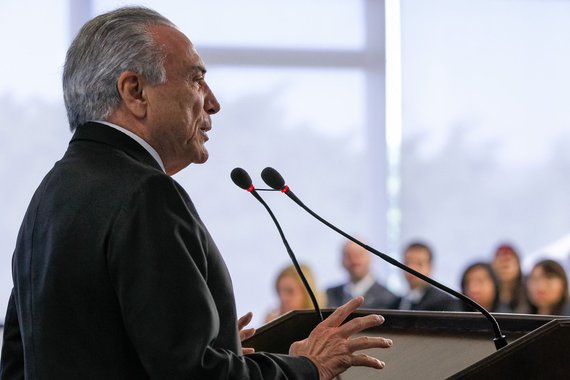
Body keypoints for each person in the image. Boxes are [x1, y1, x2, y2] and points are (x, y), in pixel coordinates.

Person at [0, 7, 393, 379]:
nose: (213, 102)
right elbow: (192, 375)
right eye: (195, 79)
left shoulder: (48, 196)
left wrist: (211, 349)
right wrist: (307, 367)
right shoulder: (146, 193)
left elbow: (23, 363)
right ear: (135, 91)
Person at [327, 240, 398, 309]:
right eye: (348, 256)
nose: (354, 261)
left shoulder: (391, 300)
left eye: (358, 255)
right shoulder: (329, 295)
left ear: (370, 258)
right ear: (342, 261)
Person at [397, 242, 457, 311]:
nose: (411, 268)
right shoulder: (396, 303)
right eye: (407, 262)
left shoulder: (445, 303)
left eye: (419, 264)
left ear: (430, 267)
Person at [491, 243, 530, 313]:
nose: (504, 265)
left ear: (518, 265)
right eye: (501, 262)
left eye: (508, 261)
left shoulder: (530, 292)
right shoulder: (486, 295)